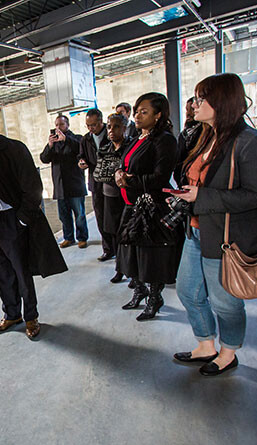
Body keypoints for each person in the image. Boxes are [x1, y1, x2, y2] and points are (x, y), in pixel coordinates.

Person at [172, 73, 257, 376]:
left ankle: (228, 352)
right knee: (188, 291)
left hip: (226, 237)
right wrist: (185, 196)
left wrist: (201, 197)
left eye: (202, 98)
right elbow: (196, 178)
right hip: (196, 230)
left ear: (222, 102)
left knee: (225, 301)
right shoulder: (206, 135)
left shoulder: (252, 144)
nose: (195, 104)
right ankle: (206, 344)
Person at [0, 110, 67, 340]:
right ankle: (11, 313)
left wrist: (21, 219)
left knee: (20, 272)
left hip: (9, 220)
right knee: (0, 272)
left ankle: (30, 316)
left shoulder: (13, 149)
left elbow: (33, 188)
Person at [114, 92, 181, 321]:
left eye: (145, 112)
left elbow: (161, 177)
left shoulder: (164, 140)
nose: (138, 115)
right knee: (128, 253)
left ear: (158, 114)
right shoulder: (137, 138)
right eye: (137, 110)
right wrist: (119, 173)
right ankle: (140, 290)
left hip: (150, 207)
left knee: (149, 257)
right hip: (131, 205)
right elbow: (125, 163)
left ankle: (154, 297)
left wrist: (130, 180)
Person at [40, 115, 87, 248]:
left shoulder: (76, 138)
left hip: (75, 184)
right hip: (60, 186)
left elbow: (80, 149)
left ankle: (82, 237)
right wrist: (50, 145)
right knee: (64, 215)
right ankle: (68, 237)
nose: (58, 128)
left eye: (61, 124)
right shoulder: (54, 143)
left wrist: (66, 139)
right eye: (56, 125)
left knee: (79, 214)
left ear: (67, 125)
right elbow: (44, 158)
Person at [98, 113, 130, 284]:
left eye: (116, 126)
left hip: (127, 198)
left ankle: (133, 273)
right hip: (109, 196)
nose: (111, 130)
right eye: (109, 127)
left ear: (124, 128)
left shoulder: (131, 147)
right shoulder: (105, 149)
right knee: (116, 235)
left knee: (129, 235)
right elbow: (99, 174)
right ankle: (120, 269)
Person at [78, 108, 113, 261]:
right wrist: (81, 162)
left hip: (112, 184)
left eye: (93, 125)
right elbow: (81, 156)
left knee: (113, 217)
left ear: (101, 121)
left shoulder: (111, 134)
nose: (91, 128)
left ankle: (120, 250)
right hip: (95, 182)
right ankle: (108, 249)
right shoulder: (86, 139)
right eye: (88, 125)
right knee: (100, 217)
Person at [174, 96, 203, 188]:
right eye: (187, 110)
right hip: (183, 179)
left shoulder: (203, 133)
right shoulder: (184, 133)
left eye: (192, 109)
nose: (189, 113)